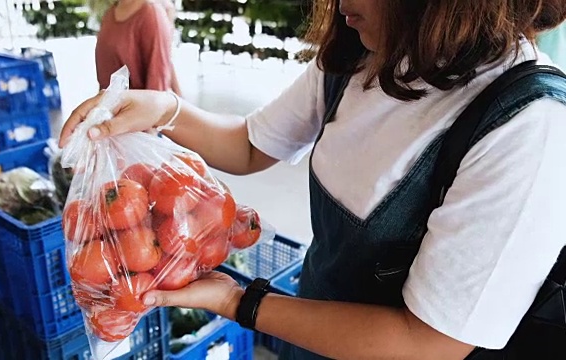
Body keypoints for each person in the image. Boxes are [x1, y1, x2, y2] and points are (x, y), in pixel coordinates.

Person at [61, 0, 566, 358]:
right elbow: (250, 144)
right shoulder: (364, 55)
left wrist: (239, 300)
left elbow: (427, 342)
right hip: (308, 329)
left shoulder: (526, 123)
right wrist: (163, 109)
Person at [95, 0, 182, 95]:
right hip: (109, 106)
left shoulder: (151, 13)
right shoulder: (110, 14)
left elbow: (157, 85)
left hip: (139, 107)